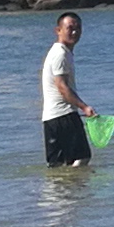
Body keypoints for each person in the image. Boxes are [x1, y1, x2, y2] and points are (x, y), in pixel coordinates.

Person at [39, 12, 98, 166]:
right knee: (82, 157)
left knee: (57, 164)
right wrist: (84, 107)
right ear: (58, 30)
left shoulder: (60, 52)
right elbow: (62, 86)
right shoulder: (61, 54)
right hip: (63, 114)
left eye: (78, 28)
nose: (74, 32)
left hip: (51, 118)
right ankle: (76, 187)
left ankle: (62, 188)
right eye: (70, 28)